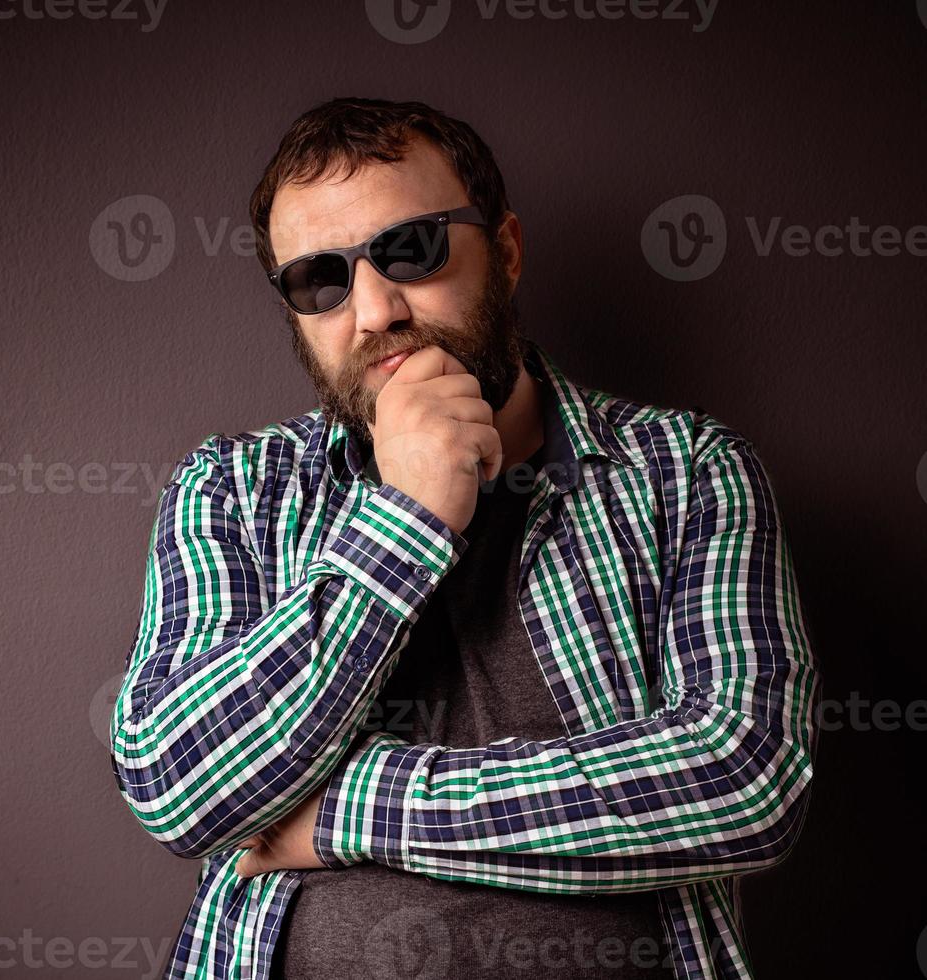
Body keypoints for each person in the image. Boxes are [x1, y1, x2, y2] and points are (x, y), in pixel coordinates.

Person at [109, 97, 821, 980]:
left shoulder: (690, 473)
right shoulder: (232, 491)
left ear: (508, 251)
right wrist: (406, 520)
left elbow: (742, 782)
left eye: (413, 249)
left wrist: (344, 814)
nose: (373, 312)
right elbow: (181, 790)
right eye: (320, 280)